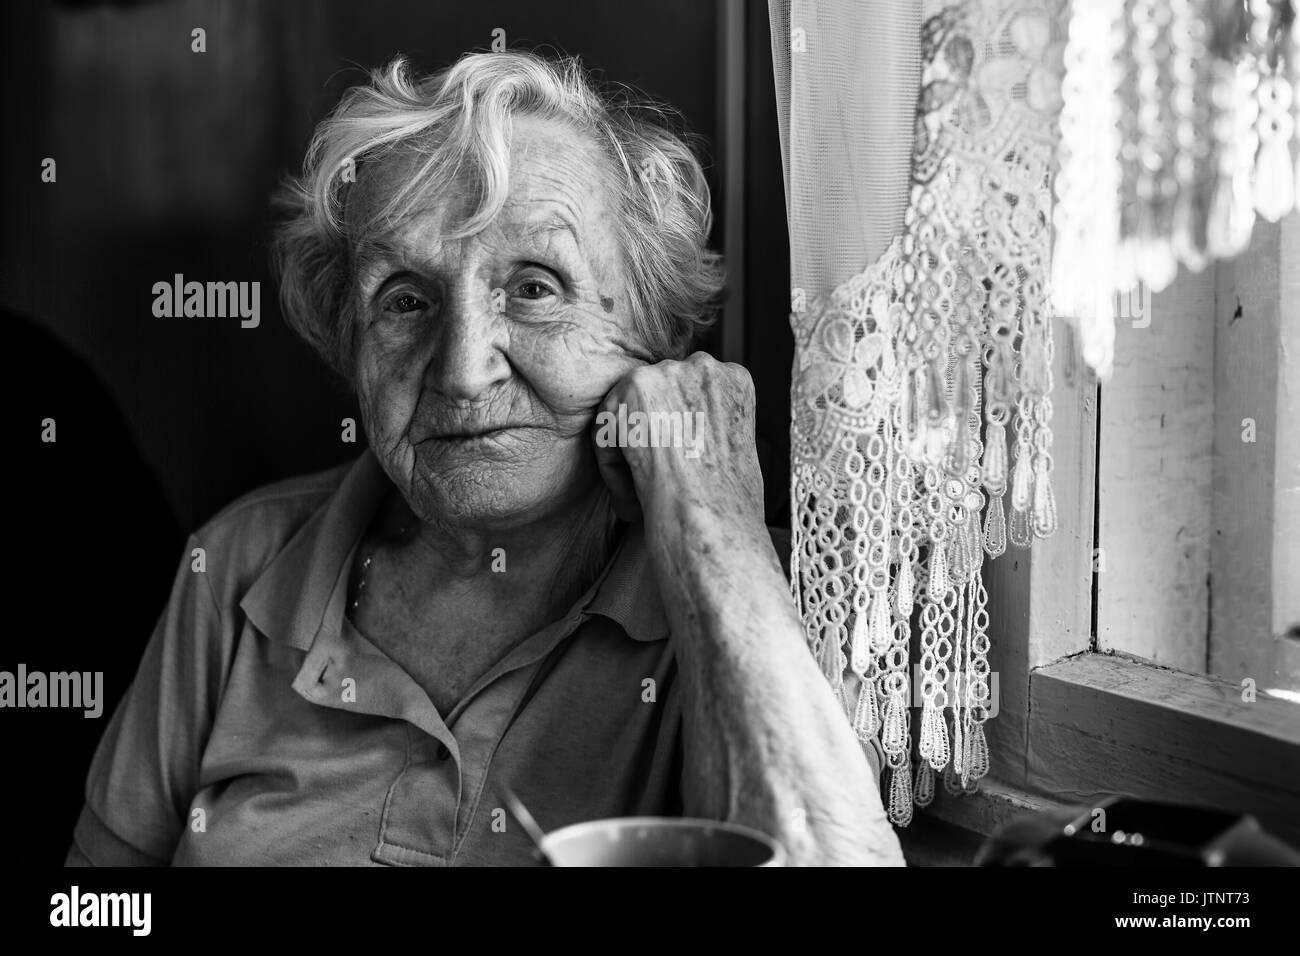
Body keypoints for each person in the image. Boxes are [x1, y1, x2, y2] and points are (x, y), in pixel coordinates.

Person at [67, 50, 901, 866]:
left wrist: (710, 520)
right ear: (348, 345)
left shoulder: (764, 605)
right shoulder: (242, 563)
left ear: (655, 334)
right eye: (404, 301)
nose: (464, 372)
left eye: (535, 287)